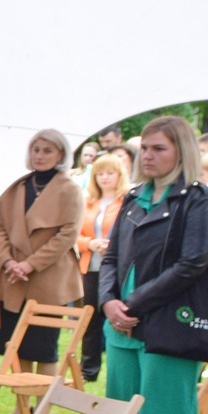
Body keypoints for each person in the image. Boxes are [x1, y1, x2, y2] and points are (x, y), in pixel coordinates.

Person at [96, 117, 208, 414]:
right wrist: (108, 302)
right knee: (121, 413)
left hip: (168, 325)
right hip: (120, 323)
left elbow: (193, 264)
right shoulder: (133, 198)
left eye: (159, 149)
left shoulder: (197, 200)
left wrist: (133, 305)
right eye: (145, 148)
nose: (148, 156)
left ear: (180, 151)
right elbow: (112, 257)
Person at [0, 129, 84, 380]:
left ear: (60, 154)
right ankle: (22, 406)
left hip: (48, 279)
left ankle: (41, 410)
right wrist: (8, 260)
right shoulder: (19, 186)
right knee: (16, 346)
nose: (39, 155)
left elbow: (68, 233)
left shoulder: (69, 189)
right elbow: (0, 226)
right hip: (13, 278)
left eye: (47, 150)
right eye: (36, 150)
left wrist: (30, 264)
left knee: (43, 348)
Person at [76, 152, 131, 383]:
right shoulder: (88, 202)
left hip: (117, 268)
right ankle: (88, 368)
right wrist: (90, 243)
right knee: (89, 319)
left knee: (116, 315)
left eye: (110, 173)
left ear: (120, 175)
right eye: (100, 174)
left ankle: (120, 368)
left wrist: (113, 245)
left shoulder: (127, 199)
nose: (105, 178)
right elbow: (75, 235)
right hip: (90, 265)